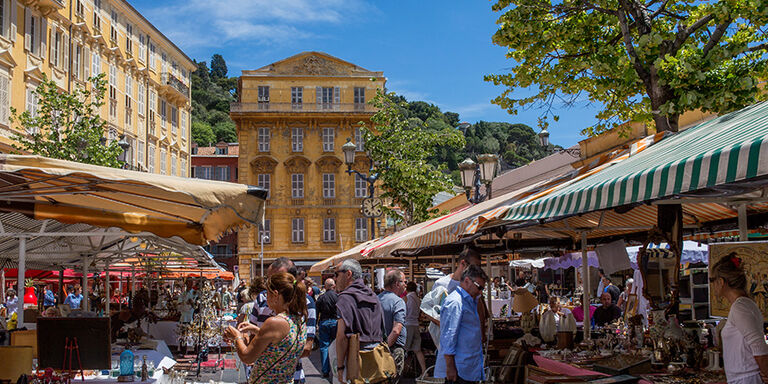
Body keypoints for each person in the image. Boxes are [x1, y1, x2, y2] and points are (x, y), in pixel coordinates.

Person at [224, 272, 308, 384]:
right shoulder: (299, 319)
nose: (265, 297)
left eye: (267, 293)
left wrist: (237, 337)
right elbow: (283, 343)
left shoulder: (275, 322)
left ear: (275, 295)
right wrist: (258, 330)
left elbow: (247, 357)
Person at [246, 257, 315, 384]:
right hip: (260, 375)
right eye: (269, 279)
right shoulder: (261, 298)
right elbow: (251, 338)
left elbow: (307, 348)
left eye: (276, 278)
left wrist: (267, 352)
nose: (270, 284)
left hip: (290, 376)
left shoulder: (306, 304)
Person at [710, 253, 768, 383]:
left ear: (721, 282)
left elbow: (758, 346)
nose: (712, 285)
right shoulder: (743, 305)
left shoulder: (740, 307)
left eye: (712, 280)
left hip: (747, 378)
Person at [333, 259, 385, 382]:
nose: (335, 279)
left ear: (348, 274)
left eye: (337, 274)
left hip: (356, 360)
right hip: (377, 359)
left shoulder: (345, 298)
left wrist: (340, 368)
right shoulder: (373, 295)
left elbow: (341, 337)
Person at [420, 247, 482, 349]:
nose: (477, 271)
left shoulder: (473, 284)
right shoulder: (441, 284)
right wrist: (442, 323)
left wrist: (481, 333)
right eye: (475, 267)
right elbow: (427, 309)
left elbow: (479, 308)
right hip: (446, 342)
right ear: (463, 264)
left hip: (467, 341)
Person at [435, 265, 487, 384]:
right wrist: (450, 366)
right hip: (459, 370)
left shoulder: (470, 301)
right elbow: (449, 336)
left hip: (467, 368)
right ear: (467, 281)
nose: (480, 291)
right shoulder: (455, 302)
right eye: (479, 287)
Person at [379, 269, 407, 380]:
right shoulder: (398, 302)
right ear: (397, 284)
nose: (405, 285)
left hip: (378, 347)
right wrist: (386, 349)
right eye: (404, 281)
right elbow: (396, 330)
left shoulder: (377, 299)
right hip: (392, 349)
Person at [315, 278, 338, 378]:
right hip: (335, 322)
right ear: (333, 286)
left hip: (323, 322)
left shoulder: (321, 298)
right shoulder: (337, 297)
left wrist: (315, 324)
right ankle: (336, 369)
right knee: (336, 346)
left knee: (324, 347)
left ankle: (325, 370)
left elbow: (316, 312)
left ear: (325, 286)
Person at [404, 281, 426, 375]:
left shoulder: (408, 298)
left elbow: (405, 312)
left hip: (408, 325)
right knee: (418, 350)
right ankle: (424, 371)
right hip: (416, 325)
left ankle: (400, 372)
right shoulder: (417, 299)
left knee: (404, 350)